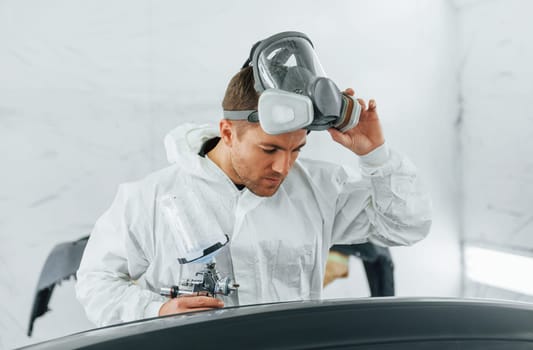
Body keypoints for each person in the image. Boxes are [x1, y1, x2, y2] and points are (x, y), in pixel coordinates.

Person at [75, 32, 432, 327]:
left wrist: (375, 153)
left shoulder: (319, 190)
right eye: (269, 149)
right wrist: (155, 311)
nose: (283, 167)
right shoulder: (152, 198)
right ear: (228, 132)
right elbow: (96, 283)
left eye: (297, 150)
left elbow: (406, 226)